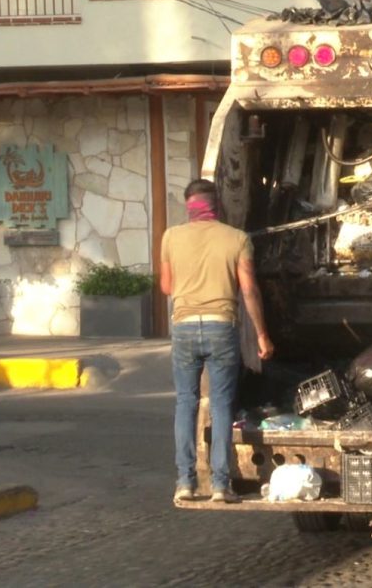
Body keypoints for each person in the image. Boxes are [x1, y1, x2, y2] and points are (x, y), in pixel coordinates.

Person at [160, 180, 274, 504]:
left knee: (186, 402)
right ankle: (221, 486)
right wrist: (263, 334)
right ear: (216, 206)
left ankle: (185, 482)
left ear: (189, 207)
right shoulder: (237, 239)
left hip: (183, 327)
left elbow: (167, 287)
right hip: (222, 326)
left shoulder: (171, 237)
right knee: (222, 405)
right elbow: (249, 289)